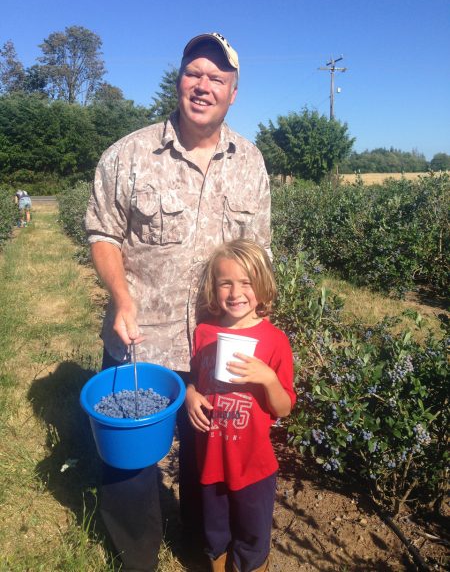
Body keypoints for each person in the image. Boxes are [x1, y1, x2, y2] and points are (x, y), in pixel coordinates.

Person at [85, 32, 272, 572]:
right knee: (130, 461)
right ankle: (136, 556)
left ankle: (200, 546)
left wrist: (257, 329)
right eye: (195, 73)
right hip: (141, 336)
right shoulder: (129, 154)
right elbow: (102, 232)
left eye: (218, 78)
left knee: (205, 453)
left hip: (216, 342)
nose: (204, 85)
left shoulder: (251, 162)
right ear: (179, 80)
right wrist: (121, 298)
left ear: (233, 92)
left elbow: (256, 254)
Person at [186, 239, 296, 572]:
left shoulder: (275, 341)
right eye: (226, 283)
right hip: (211, 460)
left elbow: (283, 408)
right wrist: (190, 393)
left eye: (247, 283)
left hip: (253, 464)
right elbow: (195, 379)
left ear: (262, 287)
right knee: (215, 530)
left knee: (252, 532)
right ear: (214, 288)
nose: (236, 292)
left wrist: (268, 379)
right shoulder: (204, 333)